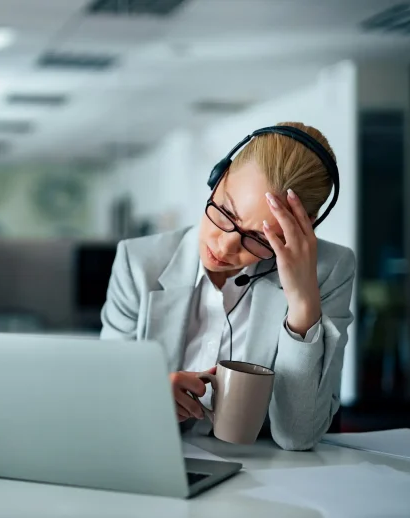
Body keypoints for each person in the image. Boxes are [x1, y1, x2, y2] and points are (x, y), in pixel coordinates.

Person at [100, 122, 355, 451]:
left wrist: (303, 303)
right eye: (225, 212)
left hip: (265, 477)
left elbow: (298, 434)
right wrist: (148, 397)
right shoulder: (138, 263)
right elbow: (105, 400)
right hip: (152, 456)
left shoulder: (328, 270)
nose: (225, 247)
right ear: (217, 178)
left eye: (261, 239)